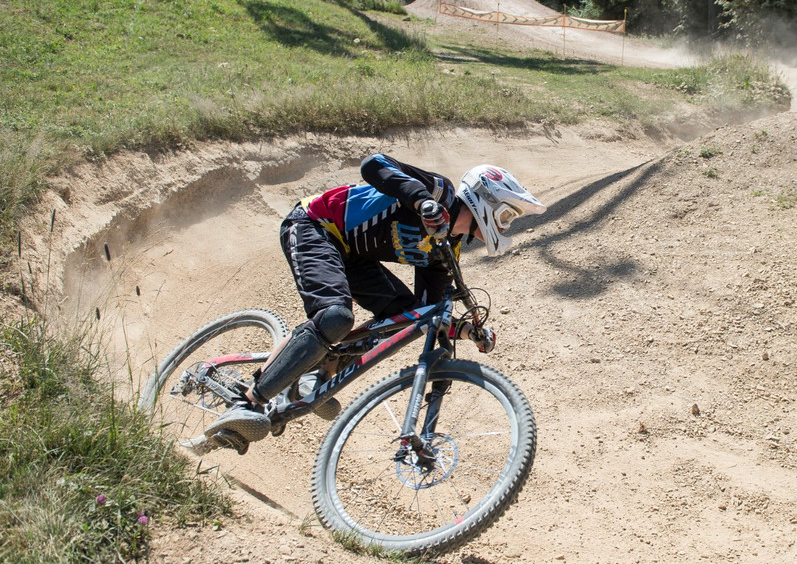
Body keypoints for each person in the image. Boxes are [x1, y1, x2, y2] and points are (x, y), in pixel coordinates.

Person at [195, 153, 547, 454]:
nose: (503, 227)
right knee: (335, 317)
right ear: (484, 201)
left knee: (401, 321)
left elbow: (425, 312)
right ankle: (249, 401)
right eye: (505, 216)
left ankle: (313, 374)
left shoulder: (444, 251)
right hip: (316, 225)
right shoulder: (438, 192)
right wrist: (421, 201)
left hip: (353, 258)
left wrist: (465, 330)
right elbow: (372, 165)